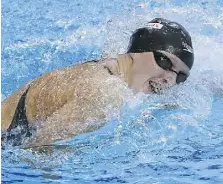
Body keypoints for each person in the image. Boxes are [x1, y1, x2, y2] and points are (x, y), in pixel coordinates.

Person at [1, 18, 194, 148]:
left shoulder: (110, 66)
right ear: (139, 51)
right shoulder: (105, 94)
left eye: (181, 77)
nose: (170, 79)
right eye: (165, 61)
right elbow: (39, 149)